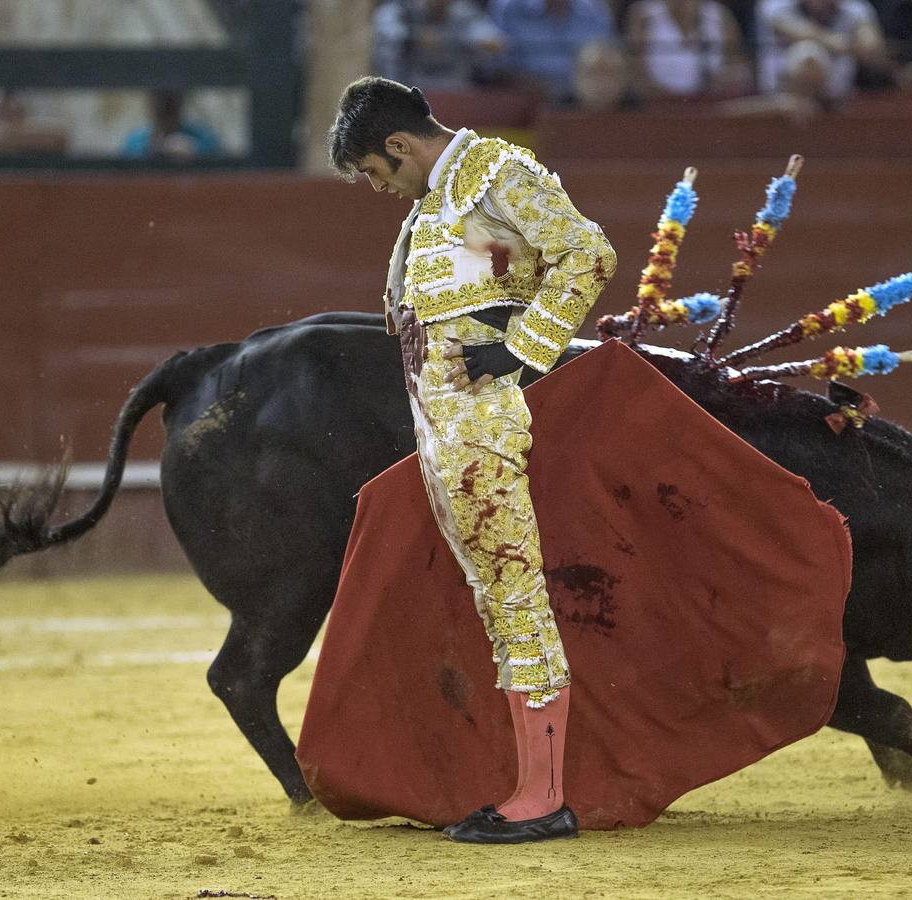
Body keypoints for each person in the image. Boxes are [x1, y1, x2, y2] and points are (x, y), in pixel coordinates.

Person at [327, 76, 616, 843]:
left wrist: (523, 350)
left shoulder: (494, 171)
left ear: (398, 145)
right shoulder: (442, 200)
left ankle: (543, 798)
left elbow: (587, 252)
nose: (378, 189)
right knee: (499, 594)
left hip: (483, 422)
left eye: (374, 172)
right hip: (446, 423)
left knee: (514, 593)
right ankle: (532, 785)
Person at [756, 0, 887, 104]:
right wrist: (837, 42)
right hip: (780, 97)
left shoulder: (855, 7)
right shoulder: (774, 4)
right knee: (808, 52)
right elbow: (796, 32)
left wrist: (861, 42)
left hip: (835, 100)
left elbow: (870, 46)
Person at [489, 0, 617, 101]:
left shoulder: (595, 12)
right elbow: (496, 61)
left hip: (579, 102)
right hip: (519, 99)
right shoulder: (508, 8)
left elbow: (605, 60)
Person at [623, 0, 751, 97]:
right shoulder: (643, 15)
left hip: (709, 105)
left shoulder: (721, 16)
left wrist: (725, 79)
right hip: (658, 105)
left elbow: (736, 65)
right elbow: (635, 72)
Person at [371, 0, 508, 91]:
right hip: (407, 91)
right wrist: (415, 38)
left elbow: (491, 39)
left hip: (455, 93)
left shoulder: (463, 12)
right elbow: (389, 35)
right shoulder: (400, 9)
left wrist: (471, 40)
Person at [121, 91, 222, 161]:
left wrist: (193, 150)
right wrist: (151, 150)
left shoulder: (203, 138)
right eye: (159, 96)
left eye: (171, 97)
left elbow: (221, 168)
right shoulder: (134, 142)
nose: (165, 104)